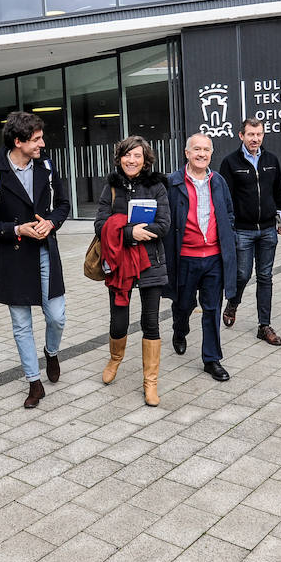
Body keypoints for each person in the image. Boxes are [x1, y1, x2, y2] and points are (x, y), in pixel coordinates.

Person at [0, 111, 70, 409]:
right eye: (36, 139)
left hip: (45, 251)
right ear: (18, 141)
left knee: (56, 316)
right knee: (21, 323)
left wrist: (51, 223)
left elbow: (64, 204)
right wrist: (16, 229)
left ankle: (51, 351)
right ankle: (34, 382)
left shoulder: (48, 167)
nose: (42, 143)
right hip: (14, 256)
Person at [96, 136, 171, 407]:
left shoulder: (157, 186)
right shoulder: (111, 187)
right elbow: (100, 225)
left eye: (137, 156)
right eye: (127, 155)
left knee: (151, 322)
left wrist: (140, 232)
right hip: (119, 264)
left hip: (151, 262)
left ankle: (150, 382)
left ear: (145, 159)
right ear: (120, 158)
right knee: (119, 321)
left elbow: (164, 224)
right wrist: (129, 232)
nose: (132, 160)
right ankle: (115, 359)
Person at [163, 133, 238, 382]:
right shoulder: (173, 182)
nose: (202, 154)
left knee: (212, 308)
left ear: (211, 153)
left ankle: (212, 359)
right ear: (187, 153)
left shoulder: (218, 181)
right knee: (183, 304)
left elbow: (228, 212)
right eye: (196, 149)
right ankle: (179, 329)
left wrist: (228, 233)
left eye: (206, 150)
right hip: (185, 257)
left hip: (214, 257)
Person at [218, 118, 281, 346]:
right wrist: (228, 229)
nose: (255, 139)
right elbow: (225, 199)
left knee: (265, 276)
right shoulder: (230, 162)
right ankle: (233, 302)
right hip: (243, 231)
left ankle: (264, 325)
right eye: (250, 134)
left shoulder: (271, 160)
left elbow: (279, 191)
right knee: (242, 274)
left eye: (259, 134)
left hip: (268, 229)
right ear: (241, 136)